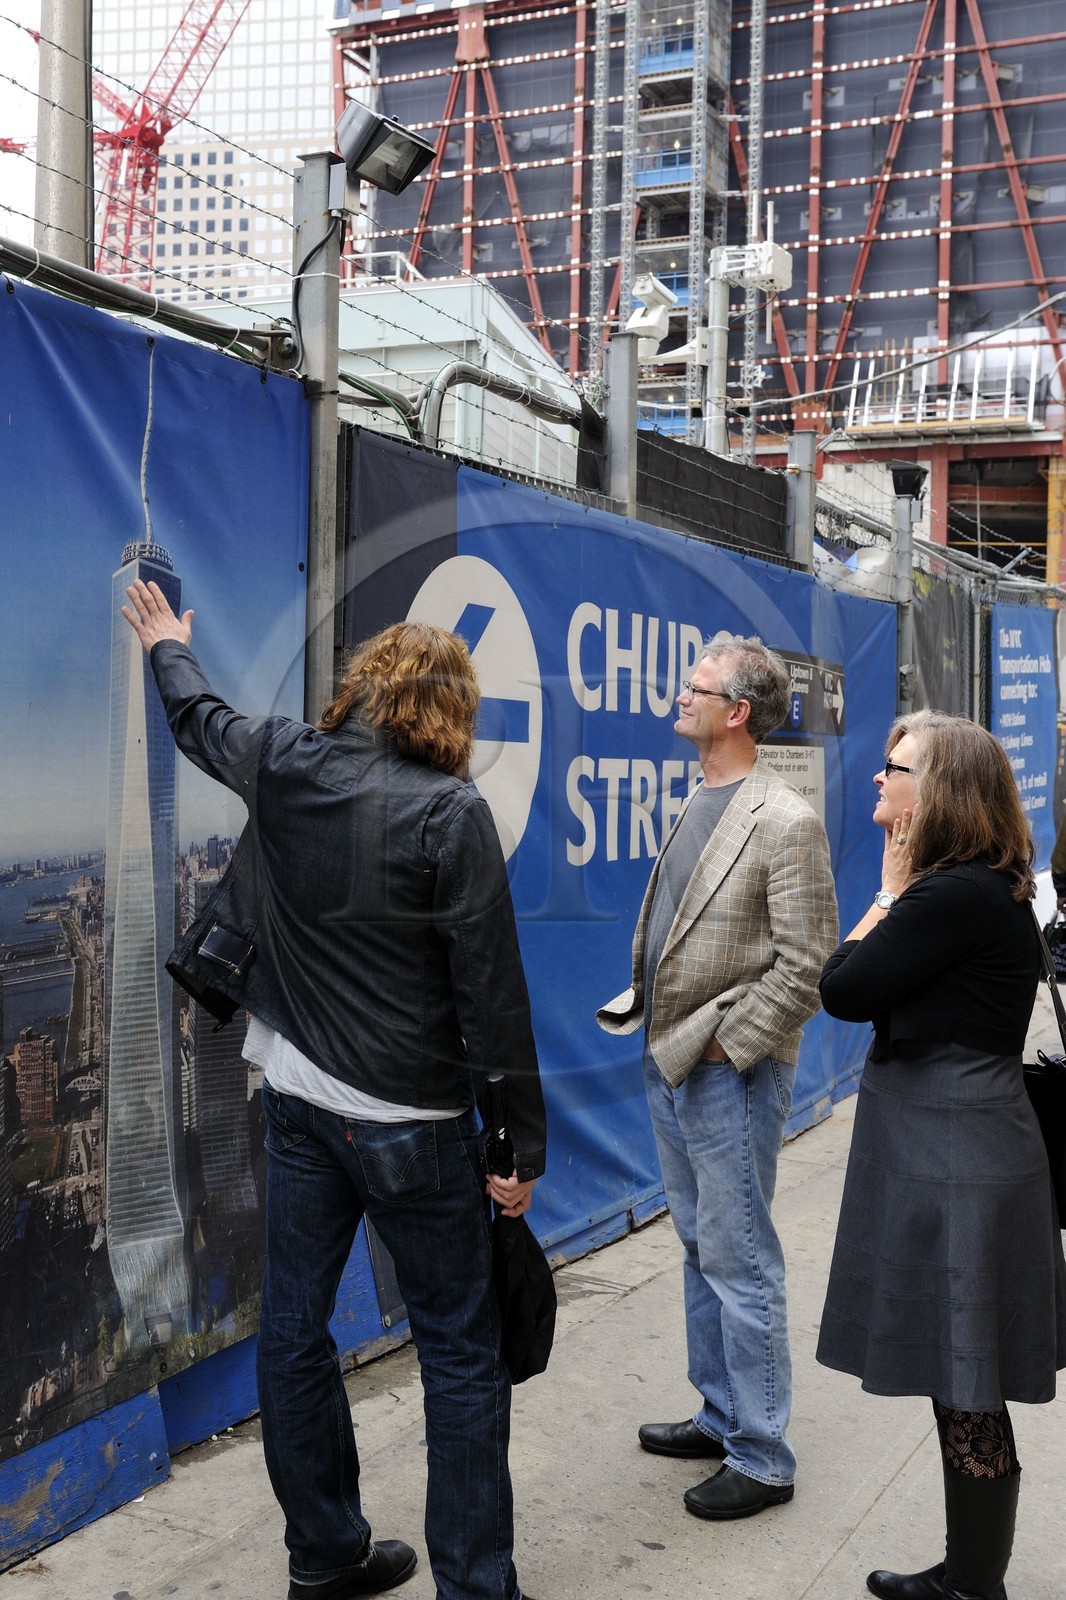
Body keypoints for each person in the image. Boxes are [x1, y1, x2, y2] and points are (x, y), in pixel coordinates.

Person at [121, 579, 546, 1600]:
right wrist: (515, 1146)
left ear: (363, 688)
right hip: (417, 1126)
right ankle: (476, 1588)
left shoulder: (288, 763)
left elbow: (197, 718)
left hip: (297, 1103)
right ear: (452, 712)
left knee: (294, 1328)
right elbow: (492, 999)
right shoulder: (453, 813)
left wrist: (170, 640)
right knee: (457, 1351)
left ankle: (325, 1558)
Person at [817, 710, 1066, 1600]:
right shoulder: (980, 887)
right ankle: (968, 1574)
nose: (879, 779)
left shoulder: (950, 894)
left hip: (955, 1148)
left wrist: (885, 889)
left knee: (967, 1379)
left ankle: (973, 1587)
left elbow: (842, 989)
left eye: (897, 767)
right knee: (961, 1375)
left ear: (941, 792)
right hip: (955, 1139)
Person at [597, 632, 837, 1520]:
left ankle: (764, 1456)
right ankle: (723, 1413)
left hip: (725, 1071)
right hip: (668, 1055)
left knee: (742, 1260)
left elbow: (807, 964)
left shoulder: (784, 819)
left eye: (694, 687)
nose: (680, 696)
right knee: (702, 1247)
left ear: (737, 711)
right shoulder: (700, 797)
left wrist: (725, 1047)